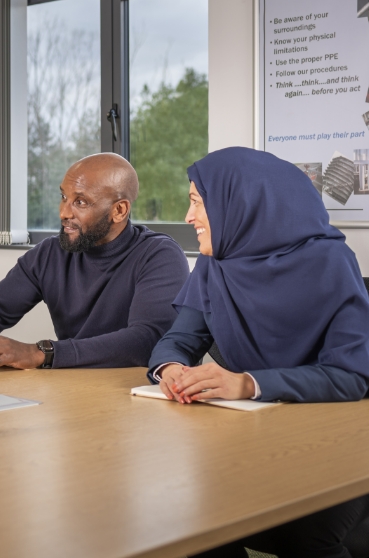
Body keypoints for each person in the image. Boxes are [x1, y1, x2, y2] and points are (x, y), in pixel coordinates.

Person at [147, 147, 369, 558]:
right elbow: (178, 339)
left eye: (197, 203)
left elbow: (351, 375)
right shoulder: (217, 263)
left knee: (307, 536)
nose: (188, 217)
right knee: (192, 521)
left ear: (241, 203)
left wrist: (247, 383)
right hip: (253, 437)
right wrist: (171, 369)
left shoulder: (332, 262)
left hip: (338, 438)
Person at [0, 153, 189, 372]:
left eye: (80, 202)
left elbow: (147, 341)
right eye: (63, 197)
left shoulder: (160, 255)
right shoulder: (50, 254)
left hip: (138, 399)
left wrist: (43, 353)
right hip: (77, 392)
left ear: (119, 211)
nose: (64, 212)